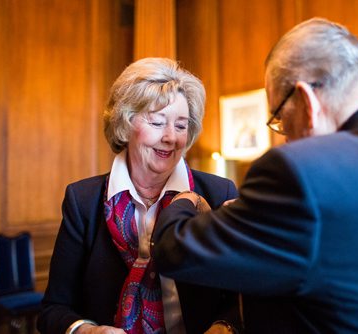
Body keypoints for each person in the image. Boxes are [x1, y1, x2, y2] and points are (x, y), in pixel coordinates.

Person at [151, 18, 358, 333]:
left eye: (280, 120)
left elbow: (174, 251)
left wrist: (184, 200)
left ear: (306, 100)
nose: (285, 137)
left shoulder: (303, 173)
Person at [37, 58, 242, 334]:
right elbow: (53, 310)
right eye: (158, 122)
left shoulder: (218, 195)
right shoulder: (82, 201)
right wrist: (87, 330)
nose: (171, 137)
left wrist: (224, 327)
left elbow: (243, 297)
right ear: (125, 122)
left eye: (181, 126)